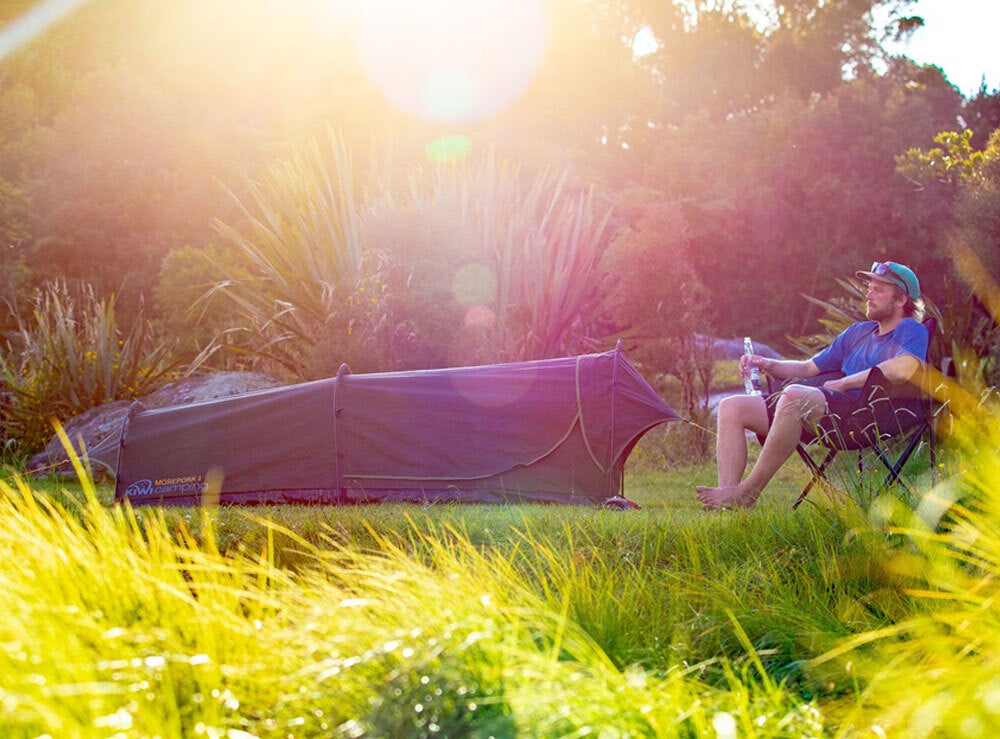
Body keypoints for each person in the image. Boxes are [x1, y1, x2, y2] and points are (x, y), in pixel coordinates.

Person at [696, 261, 928, 510]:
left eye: (878, 290)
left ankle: (748, 493)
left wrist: (845, 382)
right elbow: (808, 367)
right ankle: (727, 498)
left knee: (794, 395)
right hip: (826, 412)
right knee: (732, 406)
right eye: (869, 288)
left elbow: (906, 367)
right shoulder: (858, 332)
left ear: (901, 299)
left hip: (862, 417)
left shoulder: (911, 330)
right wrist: (765, 363)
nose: (868, 296)